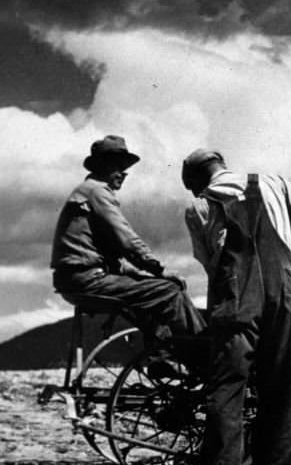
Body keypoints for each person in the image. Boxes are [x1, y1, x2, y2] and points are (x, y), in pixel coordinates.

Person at [172, 149, 291, 465]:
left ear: (196, 182)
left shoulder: (199, 206)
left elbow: (210, 264)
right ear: (221, 166)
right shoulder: (272, 182)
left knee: (227, 386)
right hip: (286, 294)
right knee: (285, 387)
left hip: (237, 298)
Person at [51, 135, 205, 340]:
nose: (123, 173)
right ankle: (203, 353)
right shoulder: (98, 192)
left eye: (125, 167)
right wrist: (159, 269)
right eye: (117, 166)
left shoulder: (87, 192)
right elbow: (127, 240)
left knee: (154, 288)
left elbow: (114, 258)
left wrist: (146, 274)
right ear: (102, 165)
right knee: (169, 290)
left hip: (76, 279)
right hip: (87, 280)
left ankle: (163, 354)